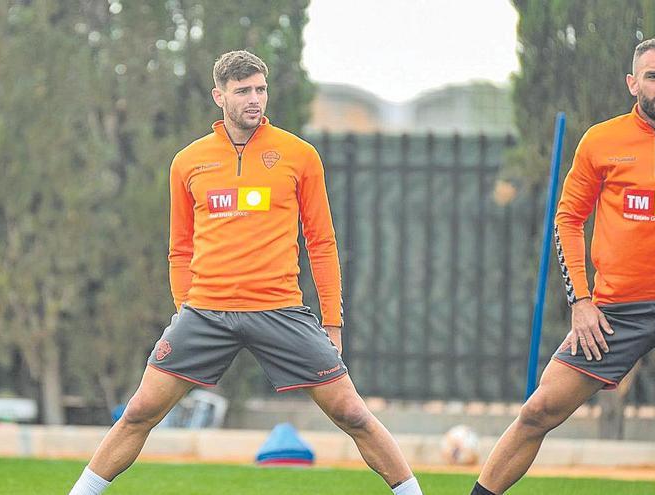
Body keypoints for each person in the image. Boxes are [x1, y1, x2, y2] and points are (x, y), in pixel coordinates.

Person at [69, 50, 423, 495]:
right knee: (139, 412)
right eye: (243, 91)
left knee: (353, 415)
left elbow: (322, 243)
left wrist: (332, 320)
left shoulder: (300, 155)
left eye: (260, 89)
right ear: (219, 96)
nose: (255, 99)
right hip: (206, 314)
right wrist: (186, 313)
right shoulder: (188, 161)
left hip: (281, 312)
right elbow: (179, 248)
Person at [470, 34, 655, 495]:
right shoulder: (600, 141)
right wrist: (581, 301)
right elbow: (568, 220)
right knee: (537, 412)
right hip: (612, 314)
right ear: (632, 83)